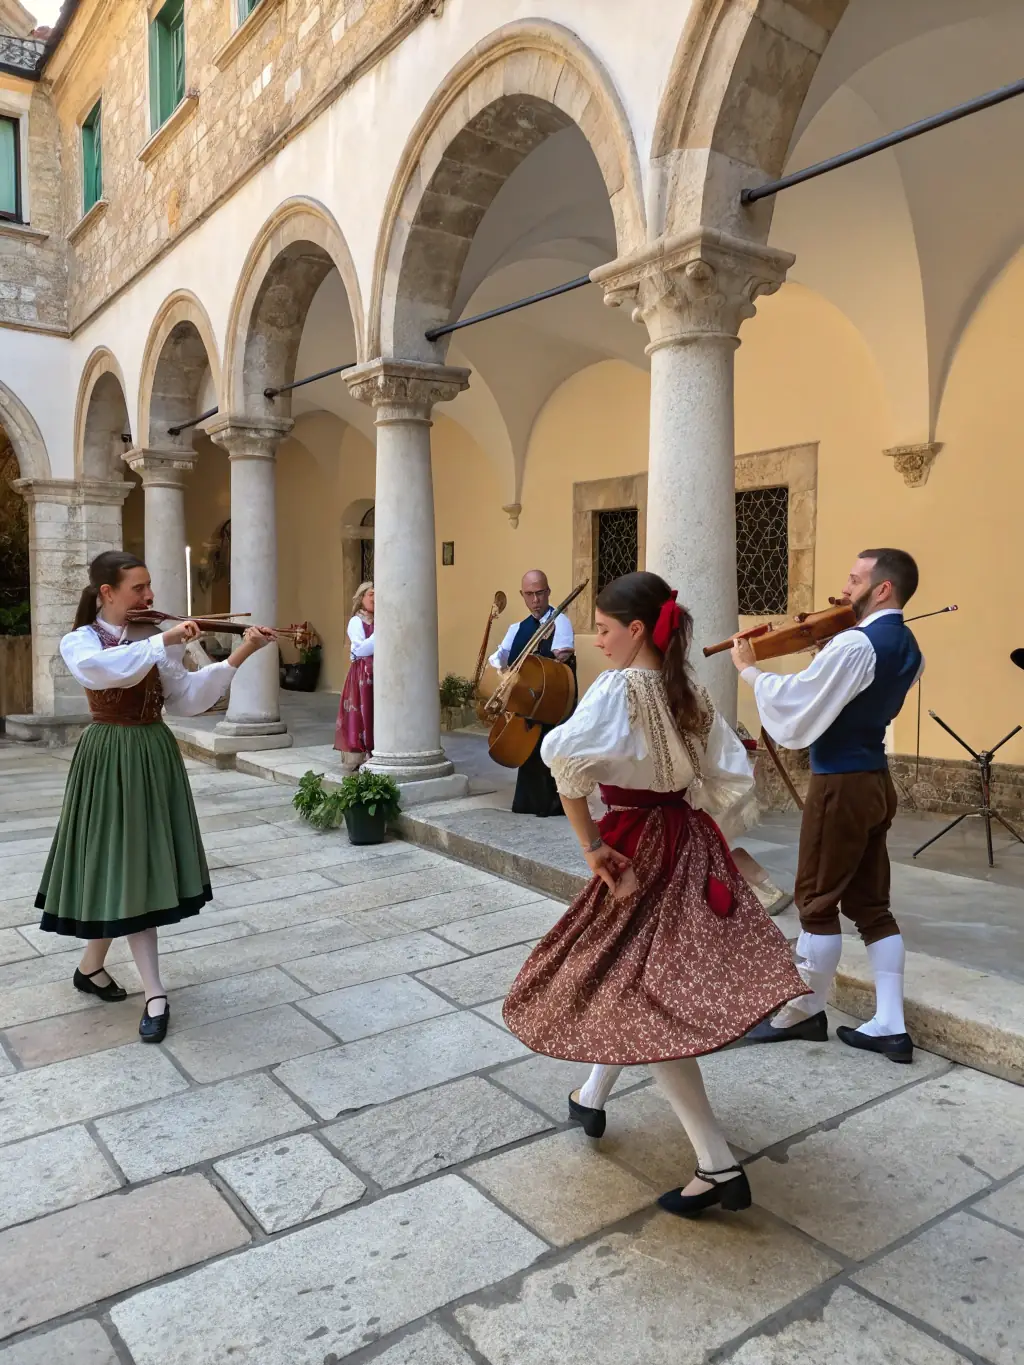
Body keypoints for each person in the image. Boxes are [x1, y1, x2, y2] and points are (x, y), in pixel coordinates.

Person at [503, 572, 808, 1217]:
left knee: (646, 1002)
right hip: (682, 840)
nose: (598, 640)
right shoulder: (686, 690)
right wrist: (705, 838)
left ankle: (718, 1165)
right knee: (632, 982)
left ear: (637, 629)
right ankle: (590, 1095)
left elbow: (564, 765)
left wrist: (593, 847)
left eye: (607, 629)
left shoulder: (618, 688)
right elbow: (727, 775)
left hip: (637, 849)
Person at [34, 551, 274, 1044]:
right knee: (124, 862)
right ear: (108, 593)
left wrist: (239, 654)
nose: (149, 596)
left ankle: (90, 968)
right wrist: (165, 639)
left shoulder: (151, 639)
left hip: (153, 751)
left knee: (129, 865)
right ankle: (156, 993)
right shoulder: (80, 641)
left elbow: (185, 698)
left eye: (149, 586)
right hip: (109, 755)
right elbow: (103, 671)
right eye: (138, 588)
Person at [733, 547, 923, 1064]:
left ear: (883, 588)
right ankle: (890, 1024)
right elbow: (844, 698)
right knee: (870, 904)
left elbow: (798, 700)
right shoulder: (908, 645)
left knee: (816, 900)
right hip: (875, 781)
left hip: (841, 783)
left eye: (856, 578)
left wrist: (748, 670)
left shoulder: (859, 643)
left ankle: (803, 1011)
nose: (846, 588)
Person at [488, 569, 575, 817]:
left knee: (548, 751)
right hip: (525, 704)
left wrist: (559, 656)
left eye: (540, 593)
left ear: (548, 592)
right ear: (522, 595)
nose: (535, 600)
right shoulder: (517, 628)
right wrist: (499, 667)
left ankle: (552, 805)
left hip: (550, 703)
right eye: (529, 594)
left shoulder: (560, 622)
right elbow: (500, 656)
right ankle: (527, 803)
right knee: (527, 752)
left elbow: (560, 661)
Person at [335, 581, 374, 769]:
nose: (375, 599)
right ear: (361, 598)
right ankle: (364, 752)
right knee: (363, 710)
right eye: (371, 594)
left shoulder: (382, 620)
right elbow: (360, 650)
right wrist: (379, 635)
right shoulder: (356, 621)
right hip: (362, 675)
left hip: (380, 673)